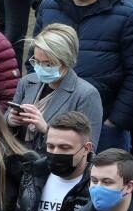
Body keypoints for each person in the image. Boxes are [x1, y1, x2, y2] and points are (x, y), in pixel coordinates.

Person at [35, 0, 133, 150]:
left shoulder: (130, 14)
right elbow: (35, 58)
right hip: (53, 119)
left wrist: (115, 121)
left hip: (104, 124)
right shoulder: (49, 6)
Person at [10, 24, 104, 156]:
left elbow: (88, 150)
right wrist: (11, 120)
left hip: (55, 170)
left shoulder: (86, 95)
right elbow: (5, 122)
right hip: (19, 163)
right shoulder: (27, 82)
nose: (40, 68)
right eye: (36, 61)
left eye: (48, 64)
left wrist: (46, 129)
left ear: (66, 61)